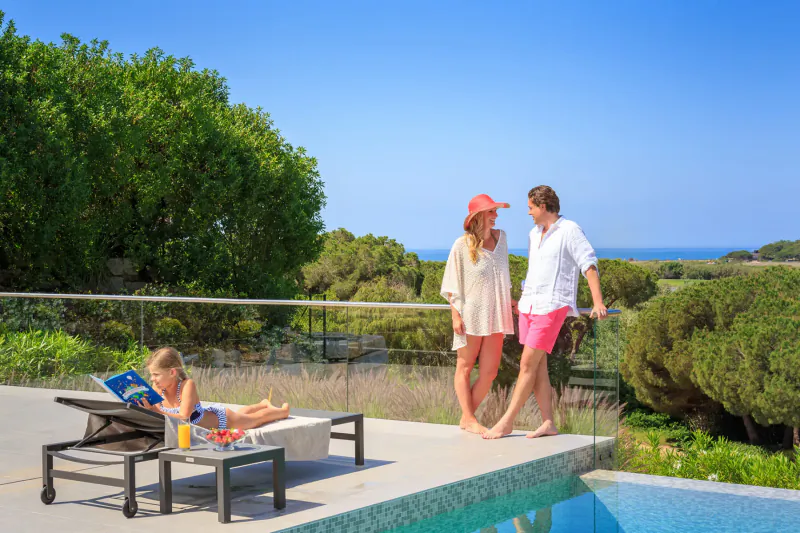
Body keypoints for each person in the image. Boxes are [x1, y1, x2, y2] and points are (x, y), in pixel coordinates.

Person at [484, 185, 607, 440]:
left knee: (527, 364)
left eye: (530, 207)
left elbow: (589, 263)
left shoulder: (570, 230)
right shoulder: (533, 234)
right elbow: (534, 271)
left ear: (542, 206)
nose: (528, 212)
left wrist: (598, 302)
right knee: (538, 368)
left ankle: (507, 422)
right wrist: (522, 298)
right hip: (530, 304)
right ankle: (548, 422)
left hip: (552, 305)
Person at [441, 194, 516, 434]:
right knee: (464, 366)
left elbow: (503, 275)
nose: (495, 216)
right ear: (478, 216)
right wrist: (455, 315)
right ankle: (470, 419)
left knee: (490, 372)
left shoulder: (501, 238)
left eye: (496, 212)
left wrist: (509, 298)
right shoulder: (461, 246)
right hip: (470, 314)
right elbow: (452, 284)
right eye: (491, 212)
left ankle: (466, 417)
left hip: (497, 314)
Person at [139, 346, 290, 430]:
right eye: (152, 375)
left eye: (156, 375)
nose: (152, 379)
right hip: (208, 416)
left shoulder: (187, 385)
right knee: (242, 414)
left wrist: (157, 411)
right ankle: (262, 404)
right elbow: (155, 414)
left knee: (255, 420)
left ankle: (282, 411)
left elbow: (184, 418)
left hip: (223, 420)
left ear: (172, 372)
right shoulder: (157, 388)